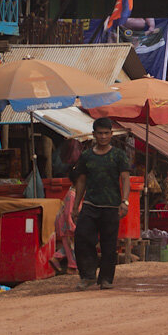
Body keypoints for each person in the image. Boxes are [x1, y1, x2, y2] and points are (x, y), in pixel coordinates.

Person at [72, 118, 130, 290]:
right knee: (82, 238)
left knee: (109, 244)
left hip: (111, 206)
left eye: (106, 133)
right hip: (90, 205)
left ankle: (106, 279)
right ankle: (88, 276)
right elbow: (81, 181)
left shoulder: (119, 155)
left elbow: (125, 179)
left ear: (111, 134)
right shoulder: (87, 156)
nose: (103, 136)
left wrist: (124, 201)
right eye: (100, 133)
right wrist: (76, 206)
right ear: (94, 134)